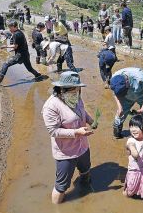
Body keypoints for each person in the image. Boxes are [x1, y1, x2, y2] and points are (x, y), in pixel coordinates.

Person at [42, 71, 95, 204]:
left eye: (78, 89)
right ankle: (57, 207)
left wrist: (90, 120)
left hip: (82, 146)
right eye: (74, 90)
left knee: (86, 170)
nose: (77, 92)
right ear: (62, 89)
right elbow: (53, 131)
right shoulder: (51, 106)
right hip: (66, 152)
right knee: (61, 186)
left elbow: (82, 111)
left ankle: (85, 190)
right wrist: (76, 132)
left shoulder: (76, 97)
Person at [110, 67, 143, 140]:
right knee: (120, 113)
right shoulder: (114, 79)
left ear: (127, 83)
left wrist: (142, 109)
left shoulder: (141, 78)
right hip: (126, 97)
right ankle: (117, 133)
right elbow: (116, 94)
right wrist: (120, 107)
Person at [0, 20, 42, 87]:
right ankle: (38, 75)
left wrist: (5, 46)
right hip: (25, 54)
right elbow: (19, 45)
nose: (9, 29)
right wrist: (13, 49)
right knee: (29, 68)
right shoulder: (20, 32)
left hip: (20, 55)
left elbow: (15, 46)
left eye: (10, 27)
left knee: (6, 64)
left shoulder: (16, 34)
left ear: (14, 27)